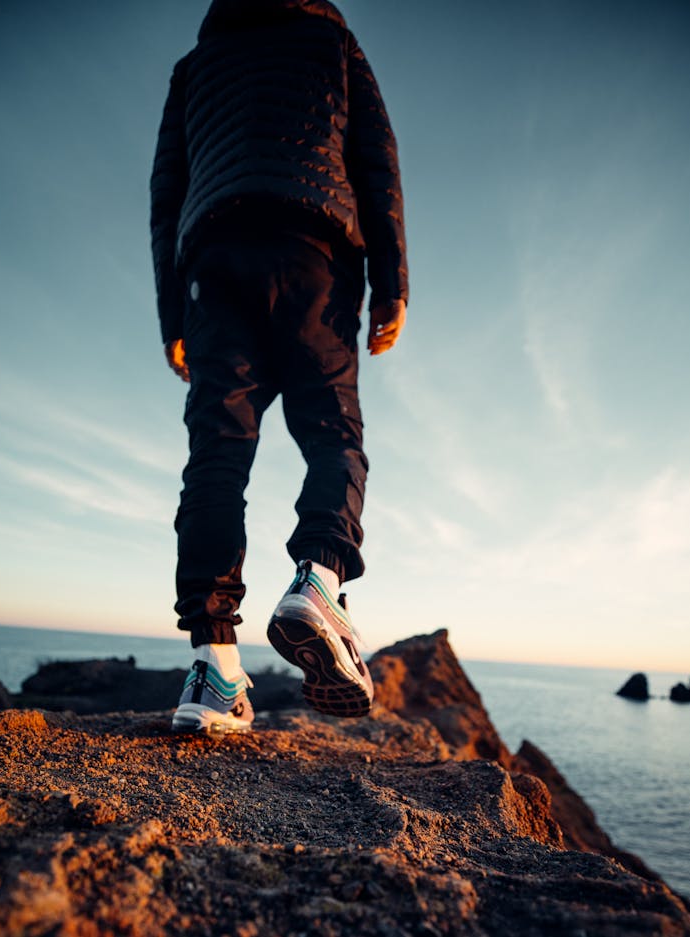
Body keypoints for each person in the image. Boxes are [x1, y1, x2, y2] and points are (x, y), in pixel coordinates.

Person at [150, 0, 408, 733]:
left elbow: (164, 200)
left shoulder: (194, 69)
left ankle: (214, 670)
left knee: (217, 458)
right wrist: (393, 282)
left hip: (213, 261)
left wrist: (174, 318)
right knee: (333, 436)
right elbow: (375, 159)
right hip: (314, 250)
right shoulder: (331, 38)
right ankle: (320, 576)